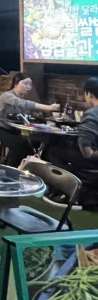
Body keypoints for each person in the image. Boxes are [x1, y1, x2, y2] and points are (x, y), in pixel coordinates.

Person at [0, 72, 60, 168]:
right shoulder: (7, 96)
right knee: (19, 144)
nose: (28, 87)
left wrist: (46, 126)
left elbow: (22, 116)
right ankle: (11, 170)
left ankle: (28, 169)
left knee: (30, 145)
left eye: (30, 84)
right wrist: (49, 107)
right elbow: (24, 104)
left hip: (12, 129)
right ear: (16, 83)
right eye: (25, 83)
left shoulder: (19, 98)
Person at [48, 78, 98, 209]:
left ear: (89, 94)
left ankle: (72, 186)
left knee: (52, 151)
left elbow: (87, 152)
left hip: (94, 160)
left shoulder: (92, 114)